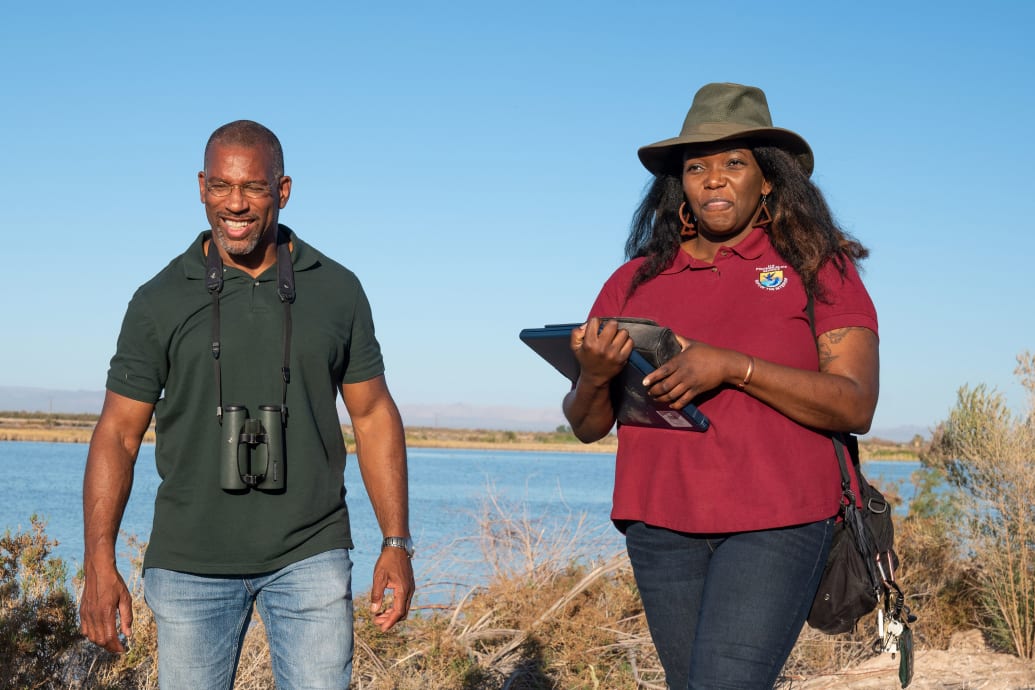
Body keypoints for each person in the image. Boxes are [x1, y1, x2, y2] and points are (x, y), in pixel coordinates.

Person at [562, 83, 878, 689]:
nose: (713, 179)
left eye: (734, 163)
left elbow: (856, 402)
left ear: (768, 180)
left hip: (778, 520)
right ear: (678, 184)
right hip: (659, 525)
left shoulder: (816, 266)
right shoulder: (633, 281)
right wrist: (596, 375)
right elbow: (587, 425)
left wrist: (733, 366)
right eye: (697, 166)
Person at [79, 120, 414, 688]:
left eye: (253, 188)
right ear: (202, 186)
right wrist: (97, 563)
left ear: (281, 191)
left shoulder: (337, 289)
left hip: (311, 553)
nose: (235, 204)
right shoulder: (159, 299)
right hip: (189, 564)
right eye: (220, 186)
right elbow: (117, 433)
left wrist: (396, 543)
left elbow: (374, 415)